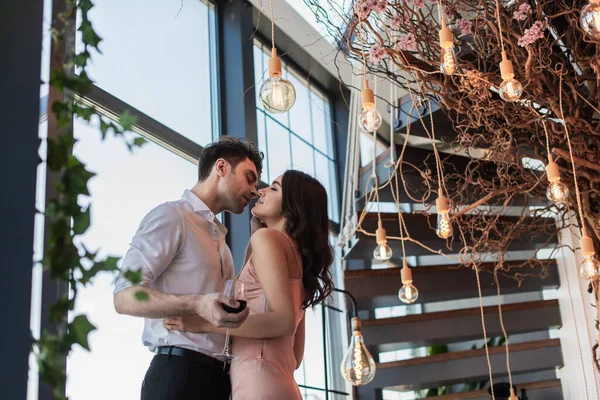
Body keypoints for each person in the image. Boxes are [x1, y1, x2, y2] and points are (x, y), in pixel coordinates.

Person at [113, 136, 264, 400]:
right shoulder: (172, 216)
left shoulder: (219, 238)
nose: (254, 191)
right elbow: (124, 297)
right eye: (249, 178)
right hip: (178, 376)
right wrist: (197, 303)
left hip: (218, 379)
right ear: (221, 167)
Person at [163, 170, 334, 400]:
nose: (261, 191)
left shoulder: (267, 240)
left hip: (258, 386)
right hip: (280, 385)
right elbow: (294, 356)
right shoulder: (297, 261)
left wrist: (205, 323)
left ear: (293, 205)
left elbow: (284, 322)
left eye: (273, 188)